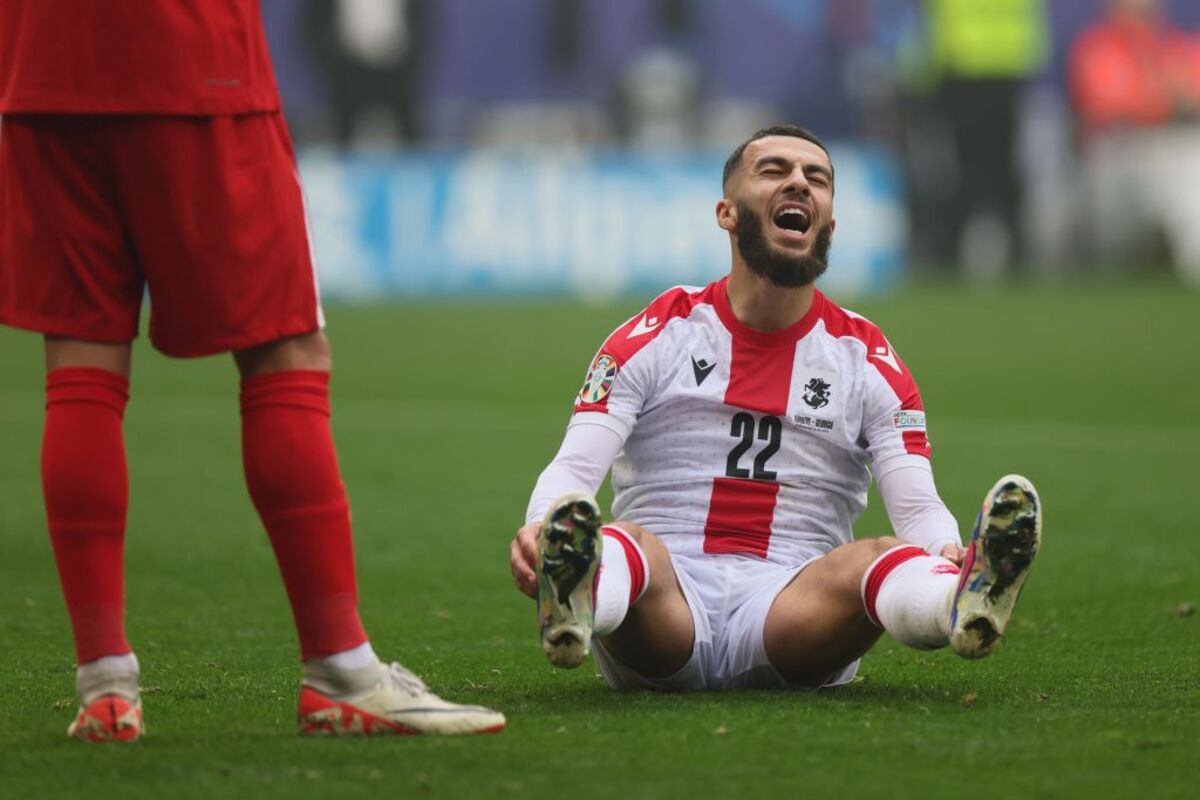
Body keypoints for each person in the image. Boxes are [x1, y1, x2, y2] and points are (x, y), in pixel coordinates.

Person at [0, 1, 504, 741]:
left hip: (36, 65)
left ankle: (104, 683)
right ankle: (341, 670)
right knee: (284, 353)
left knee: (79, 363)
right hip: (189, 56)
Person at [508, 125, 1042, 690]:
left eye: (817, 179)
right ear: (727, 213)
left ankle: (960, 604)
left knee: (878, 556)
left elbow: (917, 506)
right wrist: (540, 527)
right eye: (774, 171)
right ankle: (574, 594)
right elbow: (573, 468)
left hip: (792, 603)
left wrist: (945, 550)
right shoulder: (658, 334)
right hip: (665, 604)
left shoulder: (868, 360)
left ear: (830, 226)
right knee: (624, 542)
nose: (799, 184)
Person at [1068, 0, 1200, 286]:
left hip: (1167, 148)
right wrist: (1164, 97)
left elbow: (1192, 96)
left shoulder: (1173, 44)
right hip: (1119, 153)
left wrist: (1165, 94)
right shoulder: (1097, 46)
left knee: (1191, 157)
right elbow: (1108, 107)